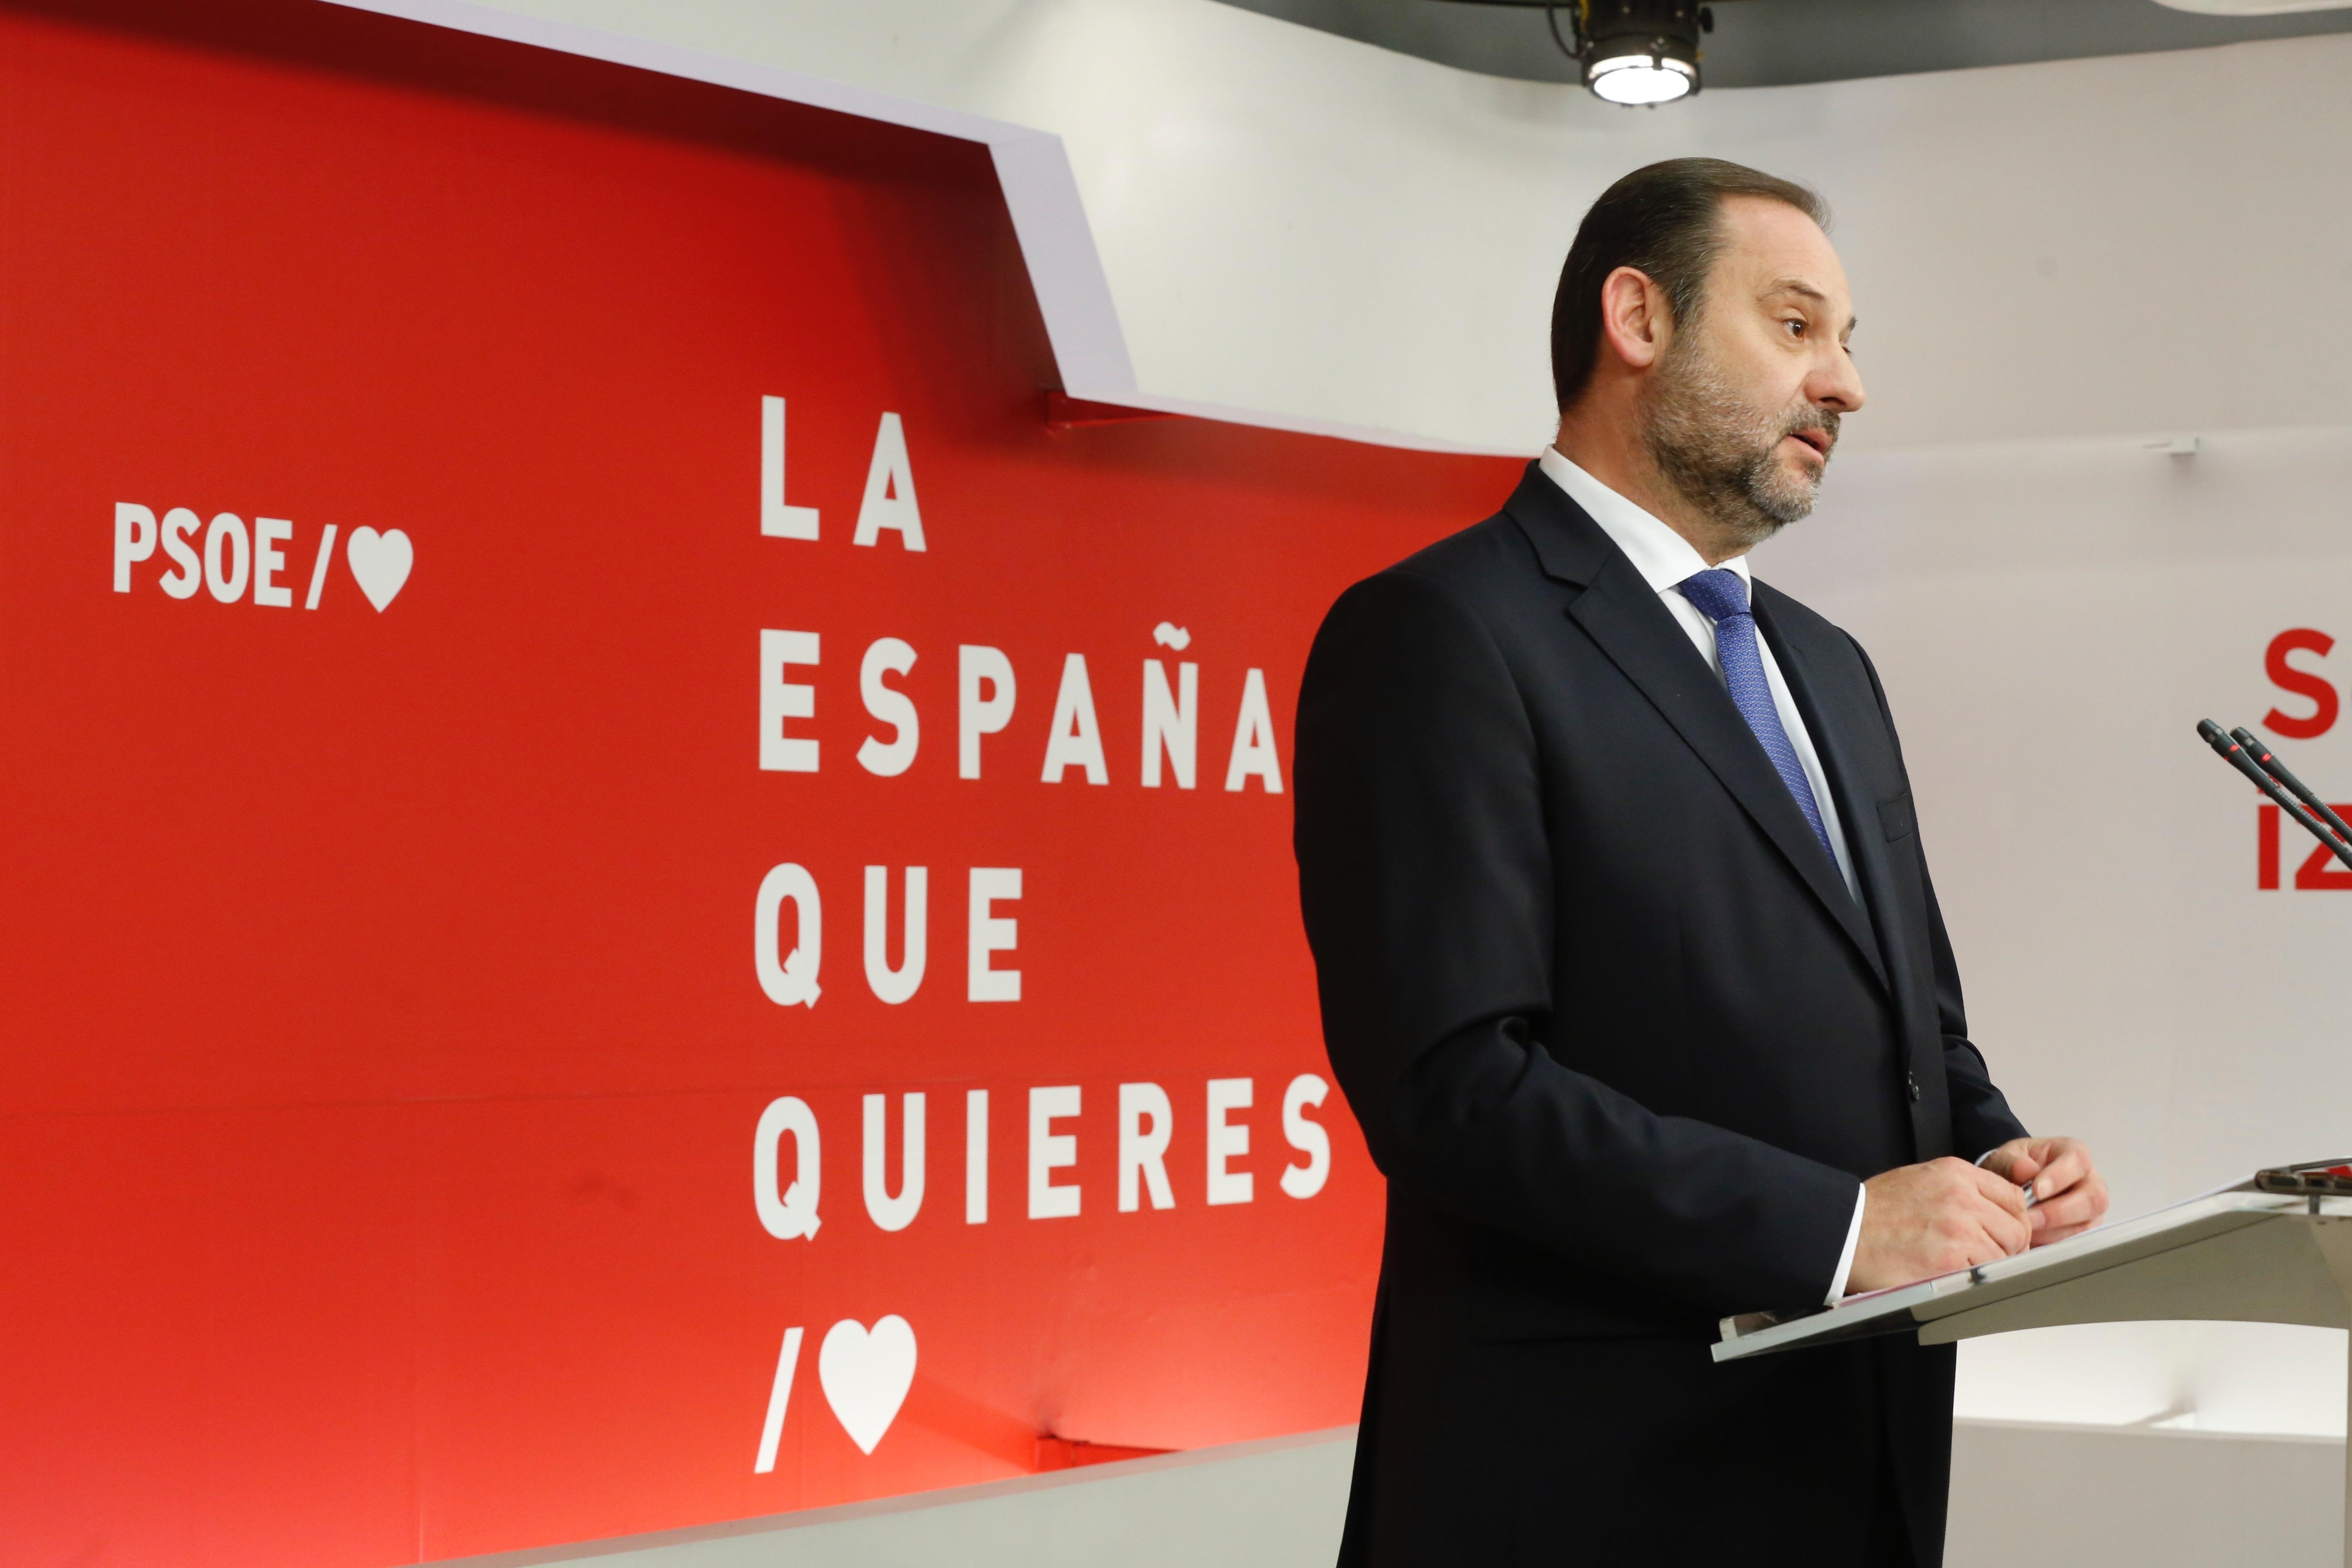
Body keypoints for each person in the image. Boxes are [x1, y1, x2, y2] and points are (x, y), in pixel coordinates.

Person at [1291, 158, 2110, 1567]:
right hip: (1592, 1490)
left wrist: (1997, 1157)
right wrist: (1840, 1226)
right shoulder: (1441, 632)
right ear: (1638, 320)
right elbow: (1454, 1089)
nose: (1845, 384)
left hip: (1856, 1466)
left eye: (1849, 344)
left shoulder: (1829, 668)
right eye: (1797, 328)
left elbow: (1916, 1031)